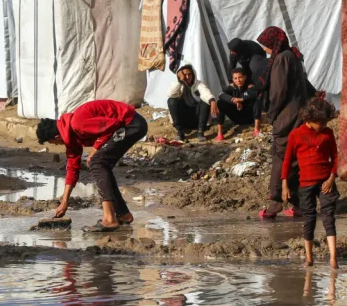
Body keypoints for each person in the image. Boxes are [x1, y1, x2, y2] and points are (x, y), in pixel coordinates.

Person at [35, 99, 148, 232]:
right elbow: (72, 169)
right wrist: (64, 202)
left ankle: (109, 219)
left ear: (57, 136)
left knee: (97, 162)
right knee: (101, 164)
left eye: (53, 143)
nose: (56, 145)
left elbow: (113, 124)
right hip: (123, 127)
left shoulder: (78, 123)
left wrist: (94, 150)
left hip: (130, 124)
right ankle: (123, 214)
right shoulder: (71, 138)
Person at [257, 26, 309, 219]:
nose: (265, 50)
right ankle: (298, 203)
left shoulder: (281, 59)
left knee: (281, 155)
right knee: (295, 159)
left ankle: (275, 201)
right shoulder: (293, 56)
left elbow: (278, 92)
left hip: (287, 116)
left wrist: (271, 113)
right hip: (298, 113)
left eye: (266, 46)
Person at [281, 97, 339, 269]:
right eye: (320, 123)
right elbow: (287, 160)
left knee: (328, 216)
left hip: (325, 181)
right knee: (309, 218)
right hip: (305, 183)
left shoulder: (328, 133)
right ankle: (309, 257)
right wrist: (284, 184)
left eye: (325, 122)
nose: (323, 126)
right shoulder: (296, 135)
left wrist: (331, 177)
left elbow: (335, 156)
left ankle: (333, 258)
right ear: (308, 119)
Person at [166, 63, 219, 142]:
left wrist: (212, 100)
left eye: (189, 74)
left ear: (193, 74)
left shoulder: (198, 84)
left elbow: (205, 93)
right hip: (184, 118)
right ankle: (180, 132)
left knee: (205, 101)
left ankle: (200, 132)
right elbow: (170, 94)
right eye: (185, 75)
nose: (187, 77)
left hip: (197, 117)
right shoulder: (178, 85)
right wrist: (180, 81)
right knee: (171, 101)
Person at [215, 68, 259, 141]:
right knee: (220, 102)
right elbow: (221, 94)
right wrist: (234, 101)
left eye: (240, 77)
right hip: (237, 117)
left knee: (256, 101)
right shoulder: (232, 87)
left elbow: (255, 94)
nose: (238, 80)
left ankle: (256, 129)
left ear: (245, 77)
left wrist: (241, 99)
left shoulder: (250, 86)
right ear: (233, 79)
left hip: (250, 117)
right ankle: (220, 134)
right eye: (235, 78)